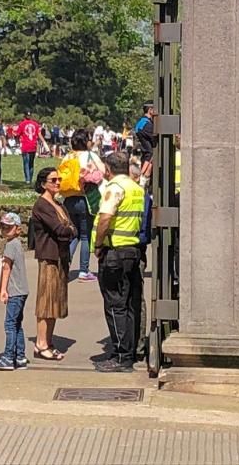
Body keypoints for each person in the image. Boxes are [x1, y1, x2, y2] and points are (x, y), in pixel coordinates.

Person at [92, 151, 146, 373]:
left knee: (115, 305)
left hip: (114, 250)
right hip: (132, 248)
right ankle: (130, 351)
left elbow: (105, 217)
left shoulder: (115, 188)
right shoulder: (136, 188)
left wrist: (98, 244)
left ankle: (120, 356)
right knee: (130, 304)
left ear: (108, 168)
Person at [30, 167, 76, 361]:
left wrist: (69, 229)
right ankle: (41, 344)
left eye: (59, 179)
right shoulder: (42, 205)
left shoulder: (58, 204)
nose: (58, 182)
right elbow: (60, 230)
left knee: (56, 303)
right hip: (49, 257)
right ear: (43, 184)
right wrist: (68, 230)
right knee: (46, 302)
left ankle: (48, 342)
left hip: (61, 257)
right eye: (53, 180)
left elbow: (73, 228)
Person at [60, 129, 105, 282]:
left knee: (73, 234)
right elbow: (103, 171)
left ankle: (64, 267)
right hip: (85, 199)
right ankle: (83, 271)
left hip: (68, 199)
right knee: (85, 236)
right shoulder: (90, 156)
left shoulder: (67, 156)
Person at [0, 212, 30, 370]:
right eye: (3, 227)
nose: (5, 230)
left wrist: (3, 290)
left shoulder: (11, 245)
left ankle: (8, 357)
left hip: (15, 290)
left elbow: (6, 268)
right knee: (17, 324)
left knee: (10, 324)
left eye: (9, 227)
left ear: (18, 229)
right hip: (22, 290)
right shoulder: (17, 244)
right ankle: (20, 356)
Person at [16, 111, 46, 184]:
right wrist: (44, 142)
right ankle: (31, 178)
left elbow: (17, 135)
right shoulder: (35, 124)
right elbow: (39, 134)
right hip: (33, 145)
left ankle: (27, 179)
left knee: (26, 163)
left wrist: (17, 142)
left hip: (25, 146)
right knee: (31, 163)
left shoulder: (22, 124)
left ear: (24, 116)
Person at [135, 103, 156, 186]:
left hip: (144, 151)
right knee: (150, 153)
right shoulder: (147, 124)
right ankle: (143, 175)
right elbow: (154, 139)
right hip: (148, 154)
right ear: (150, 110)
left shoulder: (141, 122)